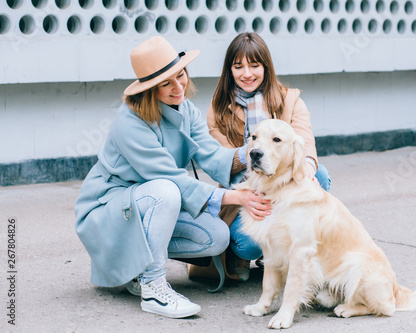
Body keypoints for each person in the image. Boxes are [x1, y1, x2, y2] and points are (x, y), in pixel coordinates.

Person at [74, 36, 271, 319]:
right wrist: (235, 196)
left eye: (180, 75)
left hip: (150, 204)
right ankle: (153, 285)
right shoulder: (129, 122)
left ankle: (138, 269)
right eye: (166, 83)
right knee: (166, 190)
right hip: (107, 212)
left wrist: (257, 150)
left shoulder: (185, 109)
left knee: (216, 237)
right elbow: (171, 179)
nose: (178, 87)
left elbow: (214, 157)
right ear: (149, 89)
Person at [206, 32, 331, 282]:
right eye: (238, 66)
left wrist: (306, 168)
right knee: (248, 246)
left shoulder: (290, 100)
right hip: (246, 189)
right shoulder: (219, 108)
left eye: (254, 65)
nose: (247, 73)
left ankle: (291, 248)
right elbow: (218, 161)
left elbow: (304, 141)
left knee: (320, 174)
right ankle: (244, 254)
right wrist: (253, 152)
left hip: (284, 185)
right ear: (229, 69)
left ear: (266, 66)